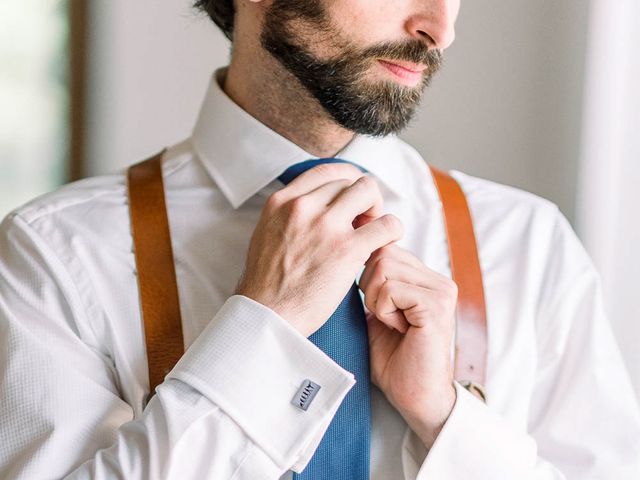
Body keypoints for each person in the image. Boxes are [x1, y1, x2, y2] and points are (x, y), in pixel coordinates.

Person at [1, 0, 639, 478]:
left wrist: (446, 417)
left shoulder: (528, 243)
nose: (440, 27)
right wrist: (261, 332)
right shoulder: (53, 255)